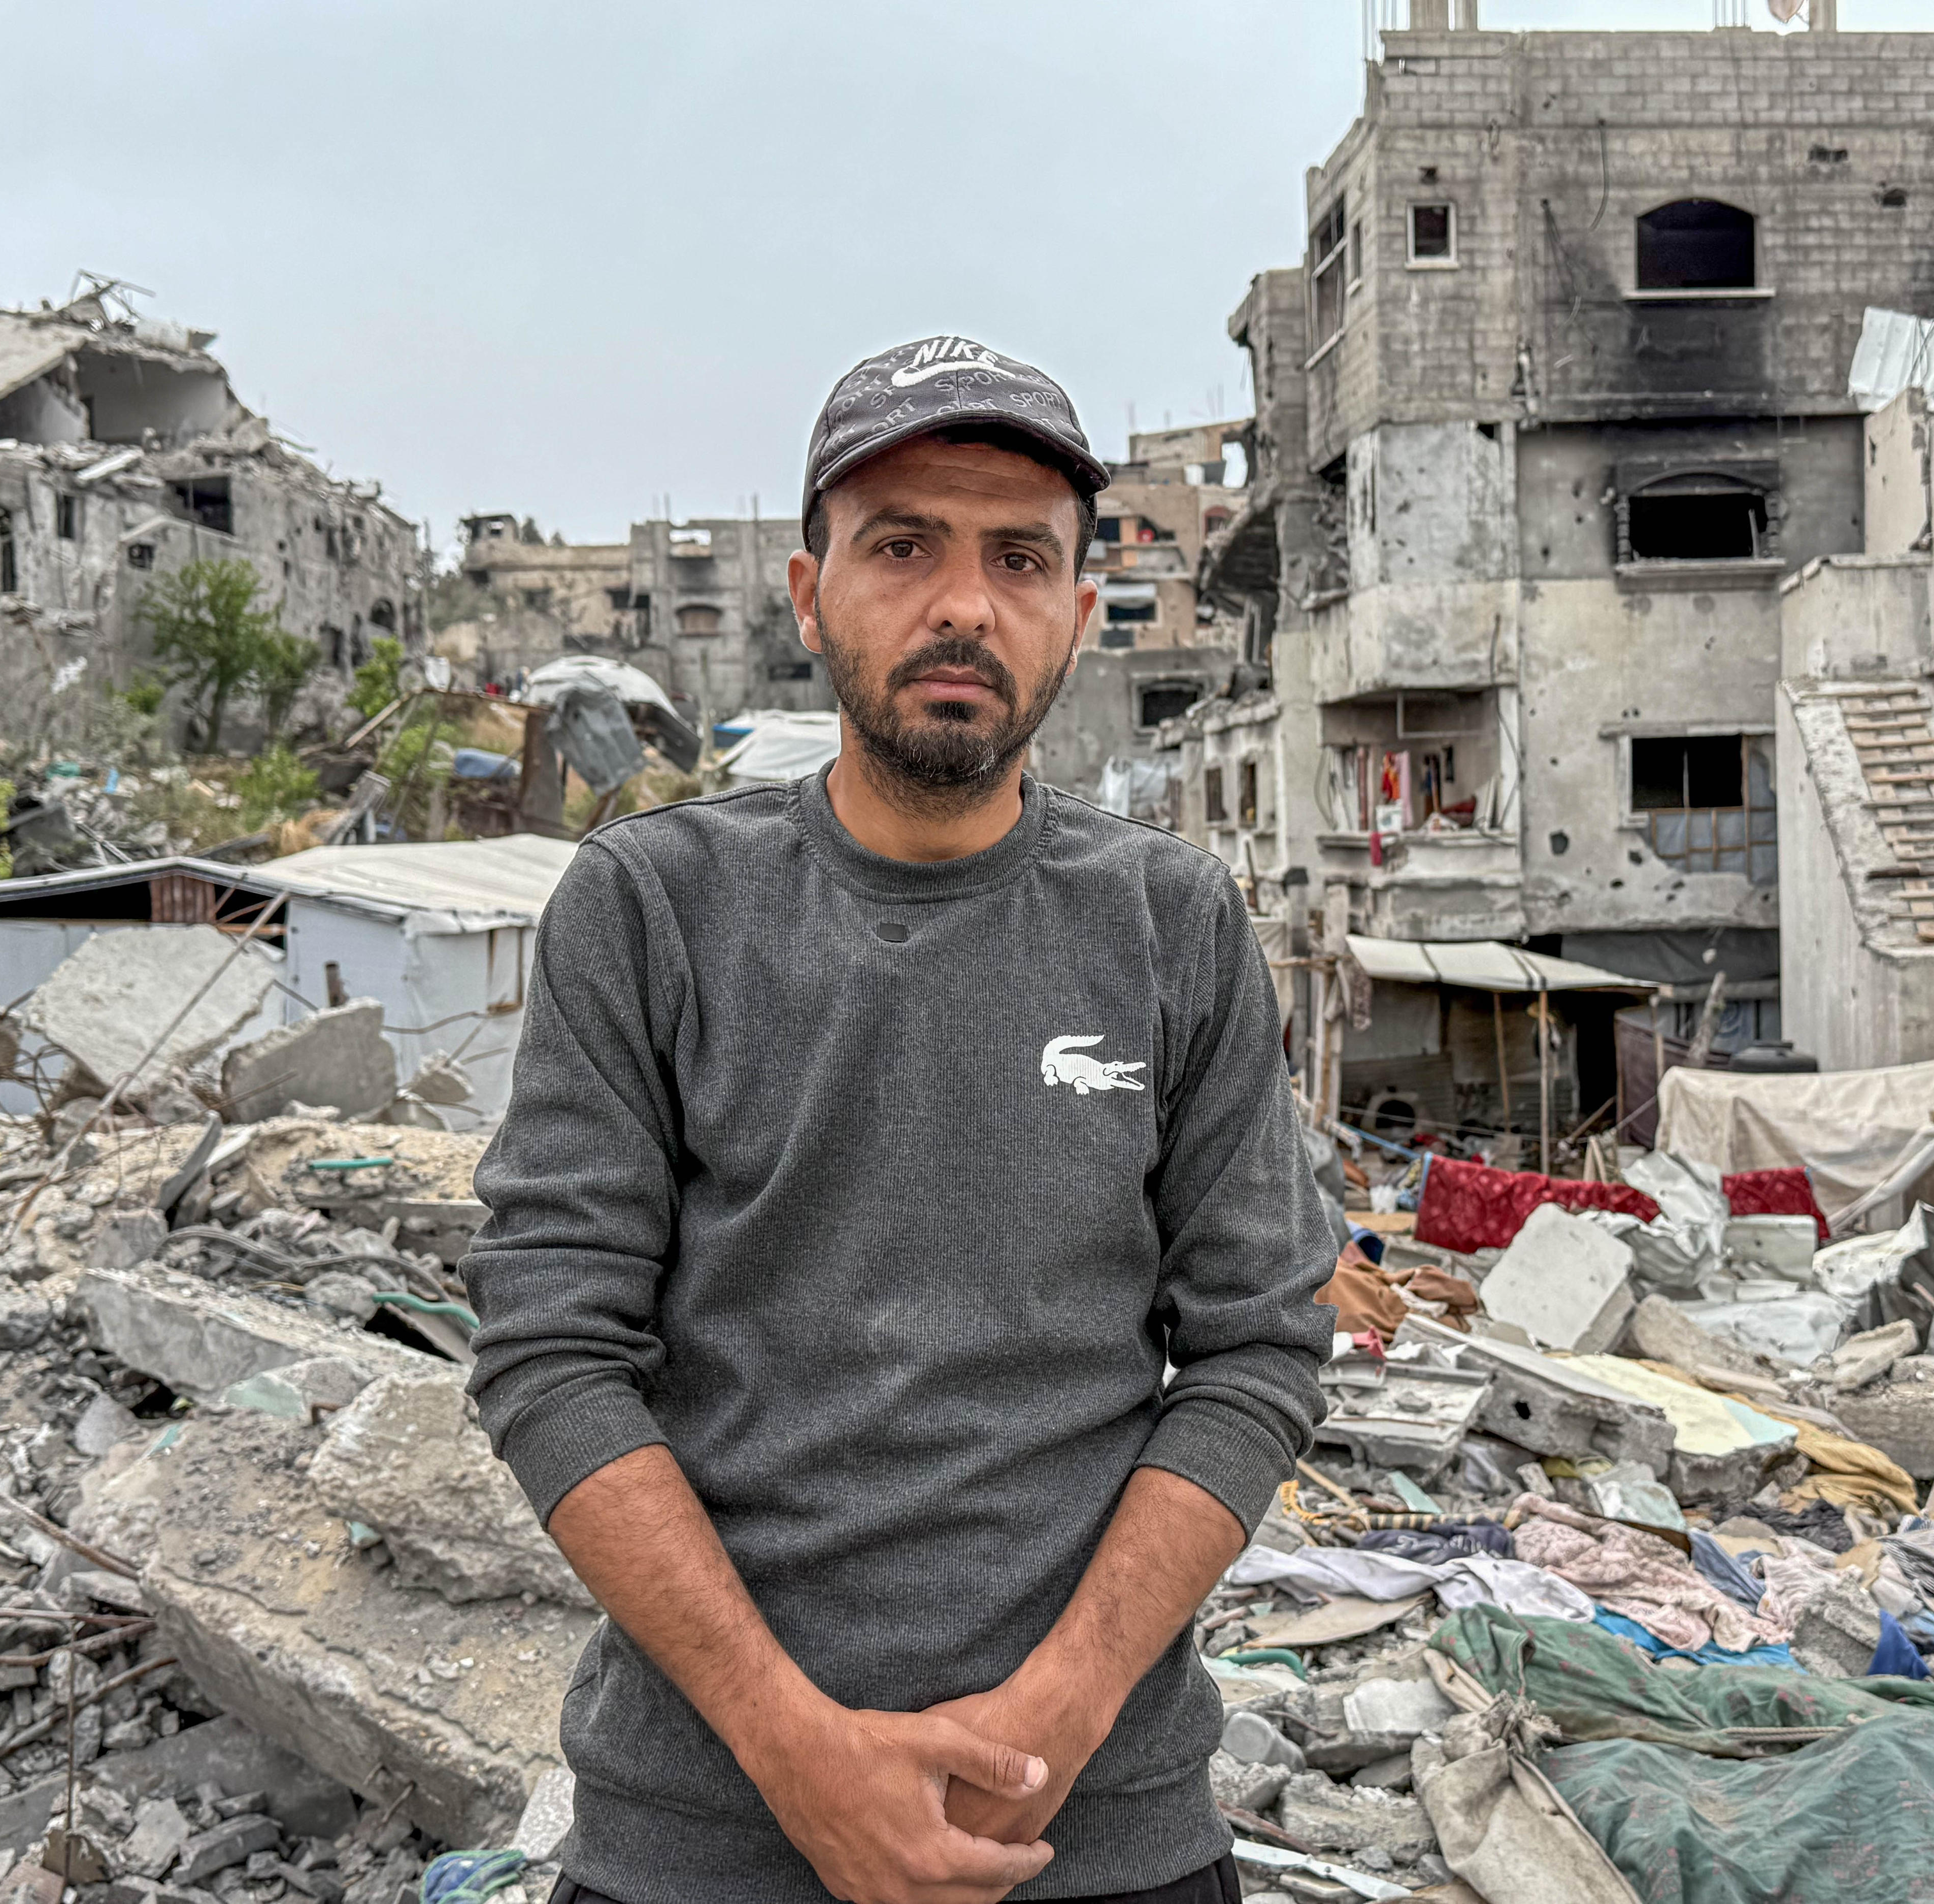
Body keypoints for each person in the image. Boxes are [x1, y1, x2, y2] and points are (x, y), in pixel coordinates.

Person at [463, 335, 1335, 1904]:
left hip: (1095, 1842)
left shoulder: (1172, 920)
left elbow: (1259, 1347)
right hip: (700, 1845)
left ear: (1079, 613)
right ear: (811, 595)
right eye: (902, 545)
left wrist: (1051, 1727)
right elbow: (551, 1351)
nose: (961, 604)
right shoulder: (652, 910)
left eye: (1018, 558)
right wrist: (795, 1751)